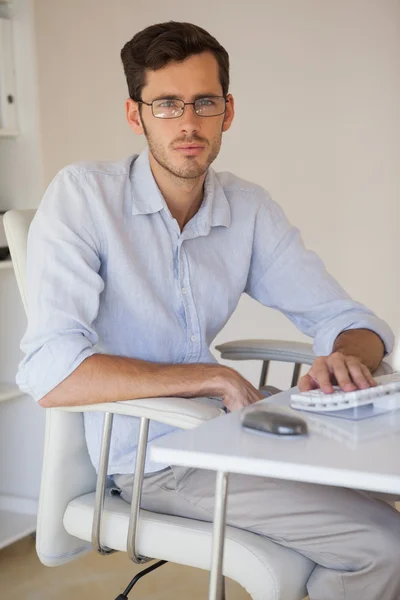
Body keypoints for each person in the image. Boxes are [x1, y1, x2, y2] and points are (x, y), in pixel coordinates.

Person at [17, 21, 400, 600]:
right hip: (152, 457)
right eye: (167, 104)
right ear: (135, 114)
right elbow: (52, 368)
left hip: (229, 432)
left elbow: (349, 318)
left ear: (228, 109)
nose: (189, 123)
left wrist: (345, 356)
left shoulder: (245, 207)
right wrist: (210, 375)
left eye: (204, 102)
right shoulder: (84, 198)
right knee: (383, 545)